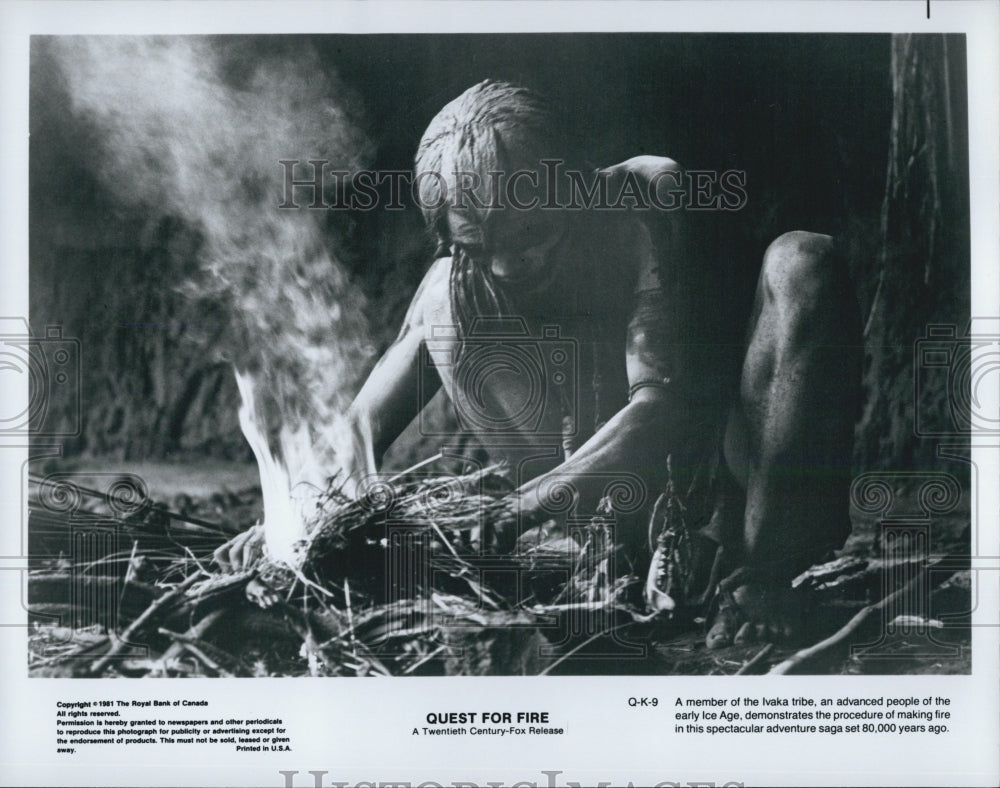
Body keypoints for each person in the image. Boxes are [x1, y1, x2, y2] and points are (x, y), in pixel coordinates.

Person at [216, 80, 862, 649]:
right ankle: (612, 556)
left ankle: (766, 574)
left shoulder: (646, 197)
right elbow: (358, 428)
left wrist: (519, 508)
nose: (505, 266)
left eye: (529, 237)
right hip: (610, 506)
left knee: (802, 262)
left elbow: (660, 408)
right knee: (443, 296)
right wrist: (289, 523)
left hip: (726, 475)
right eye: (478, 245)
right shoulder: (463, 270)